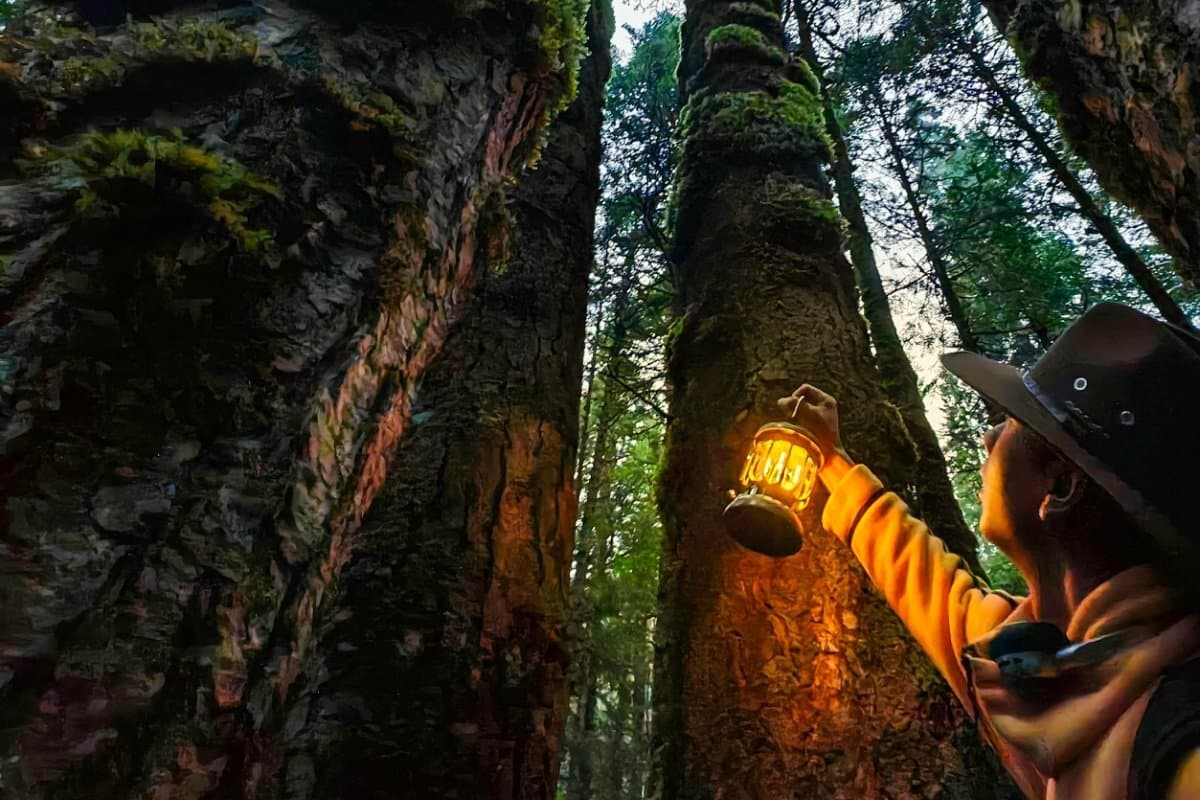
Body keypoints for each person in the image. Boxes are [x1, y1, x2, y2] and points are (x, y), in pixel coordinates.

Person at [780, 303, 1200, 800]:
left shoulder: (1181, 741)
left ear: (1059, 487)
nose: (988, 435)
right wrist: (833, 462)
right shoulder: (1043, 661)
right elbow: (934, 589)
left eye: (1014, 423)